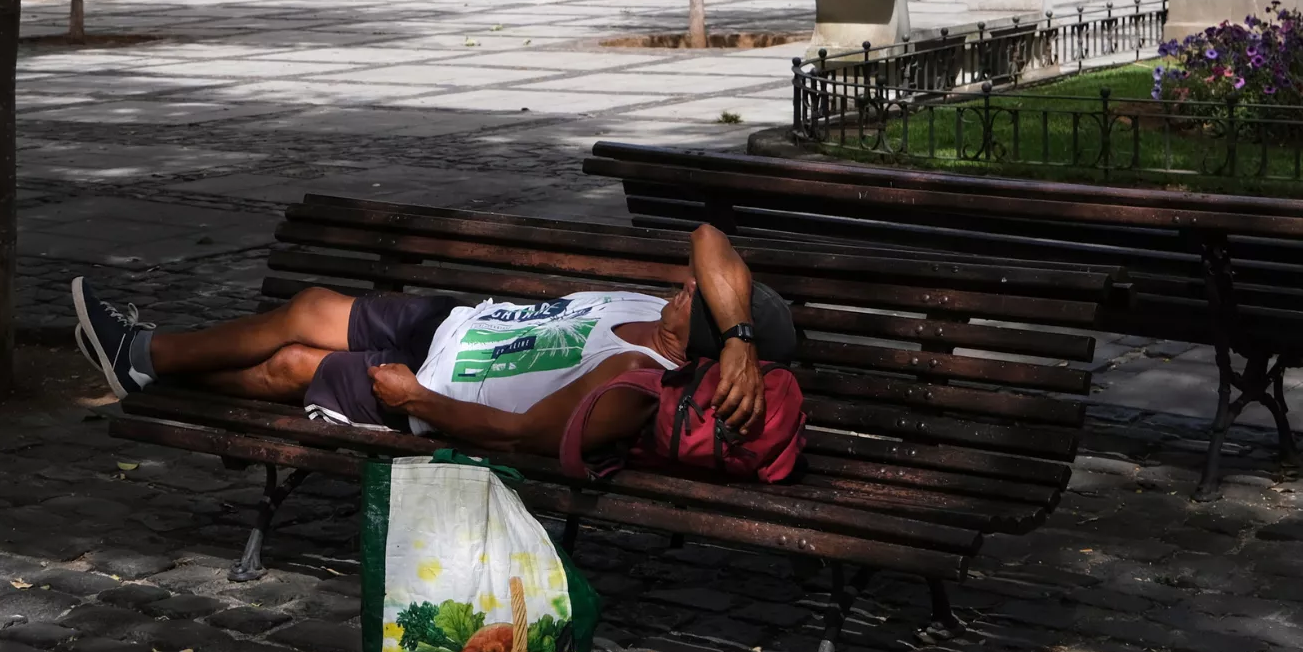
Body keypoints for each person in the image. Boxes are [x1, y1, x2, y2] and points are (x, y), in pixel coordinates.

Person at [69, 224, 797, 459]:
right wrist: (737, 338)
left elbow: (524, 435)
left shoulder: (637, 381)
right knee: (311, 306)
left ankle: (147, 368)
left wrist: (419, 399)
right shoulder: (667, 310)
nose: (687, 283)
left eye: (694, 296)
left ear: (690, 332)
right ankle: (145, 356)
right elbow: (709, 237)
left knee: (292, 366)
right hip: (450, 325)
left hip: (436, 392)